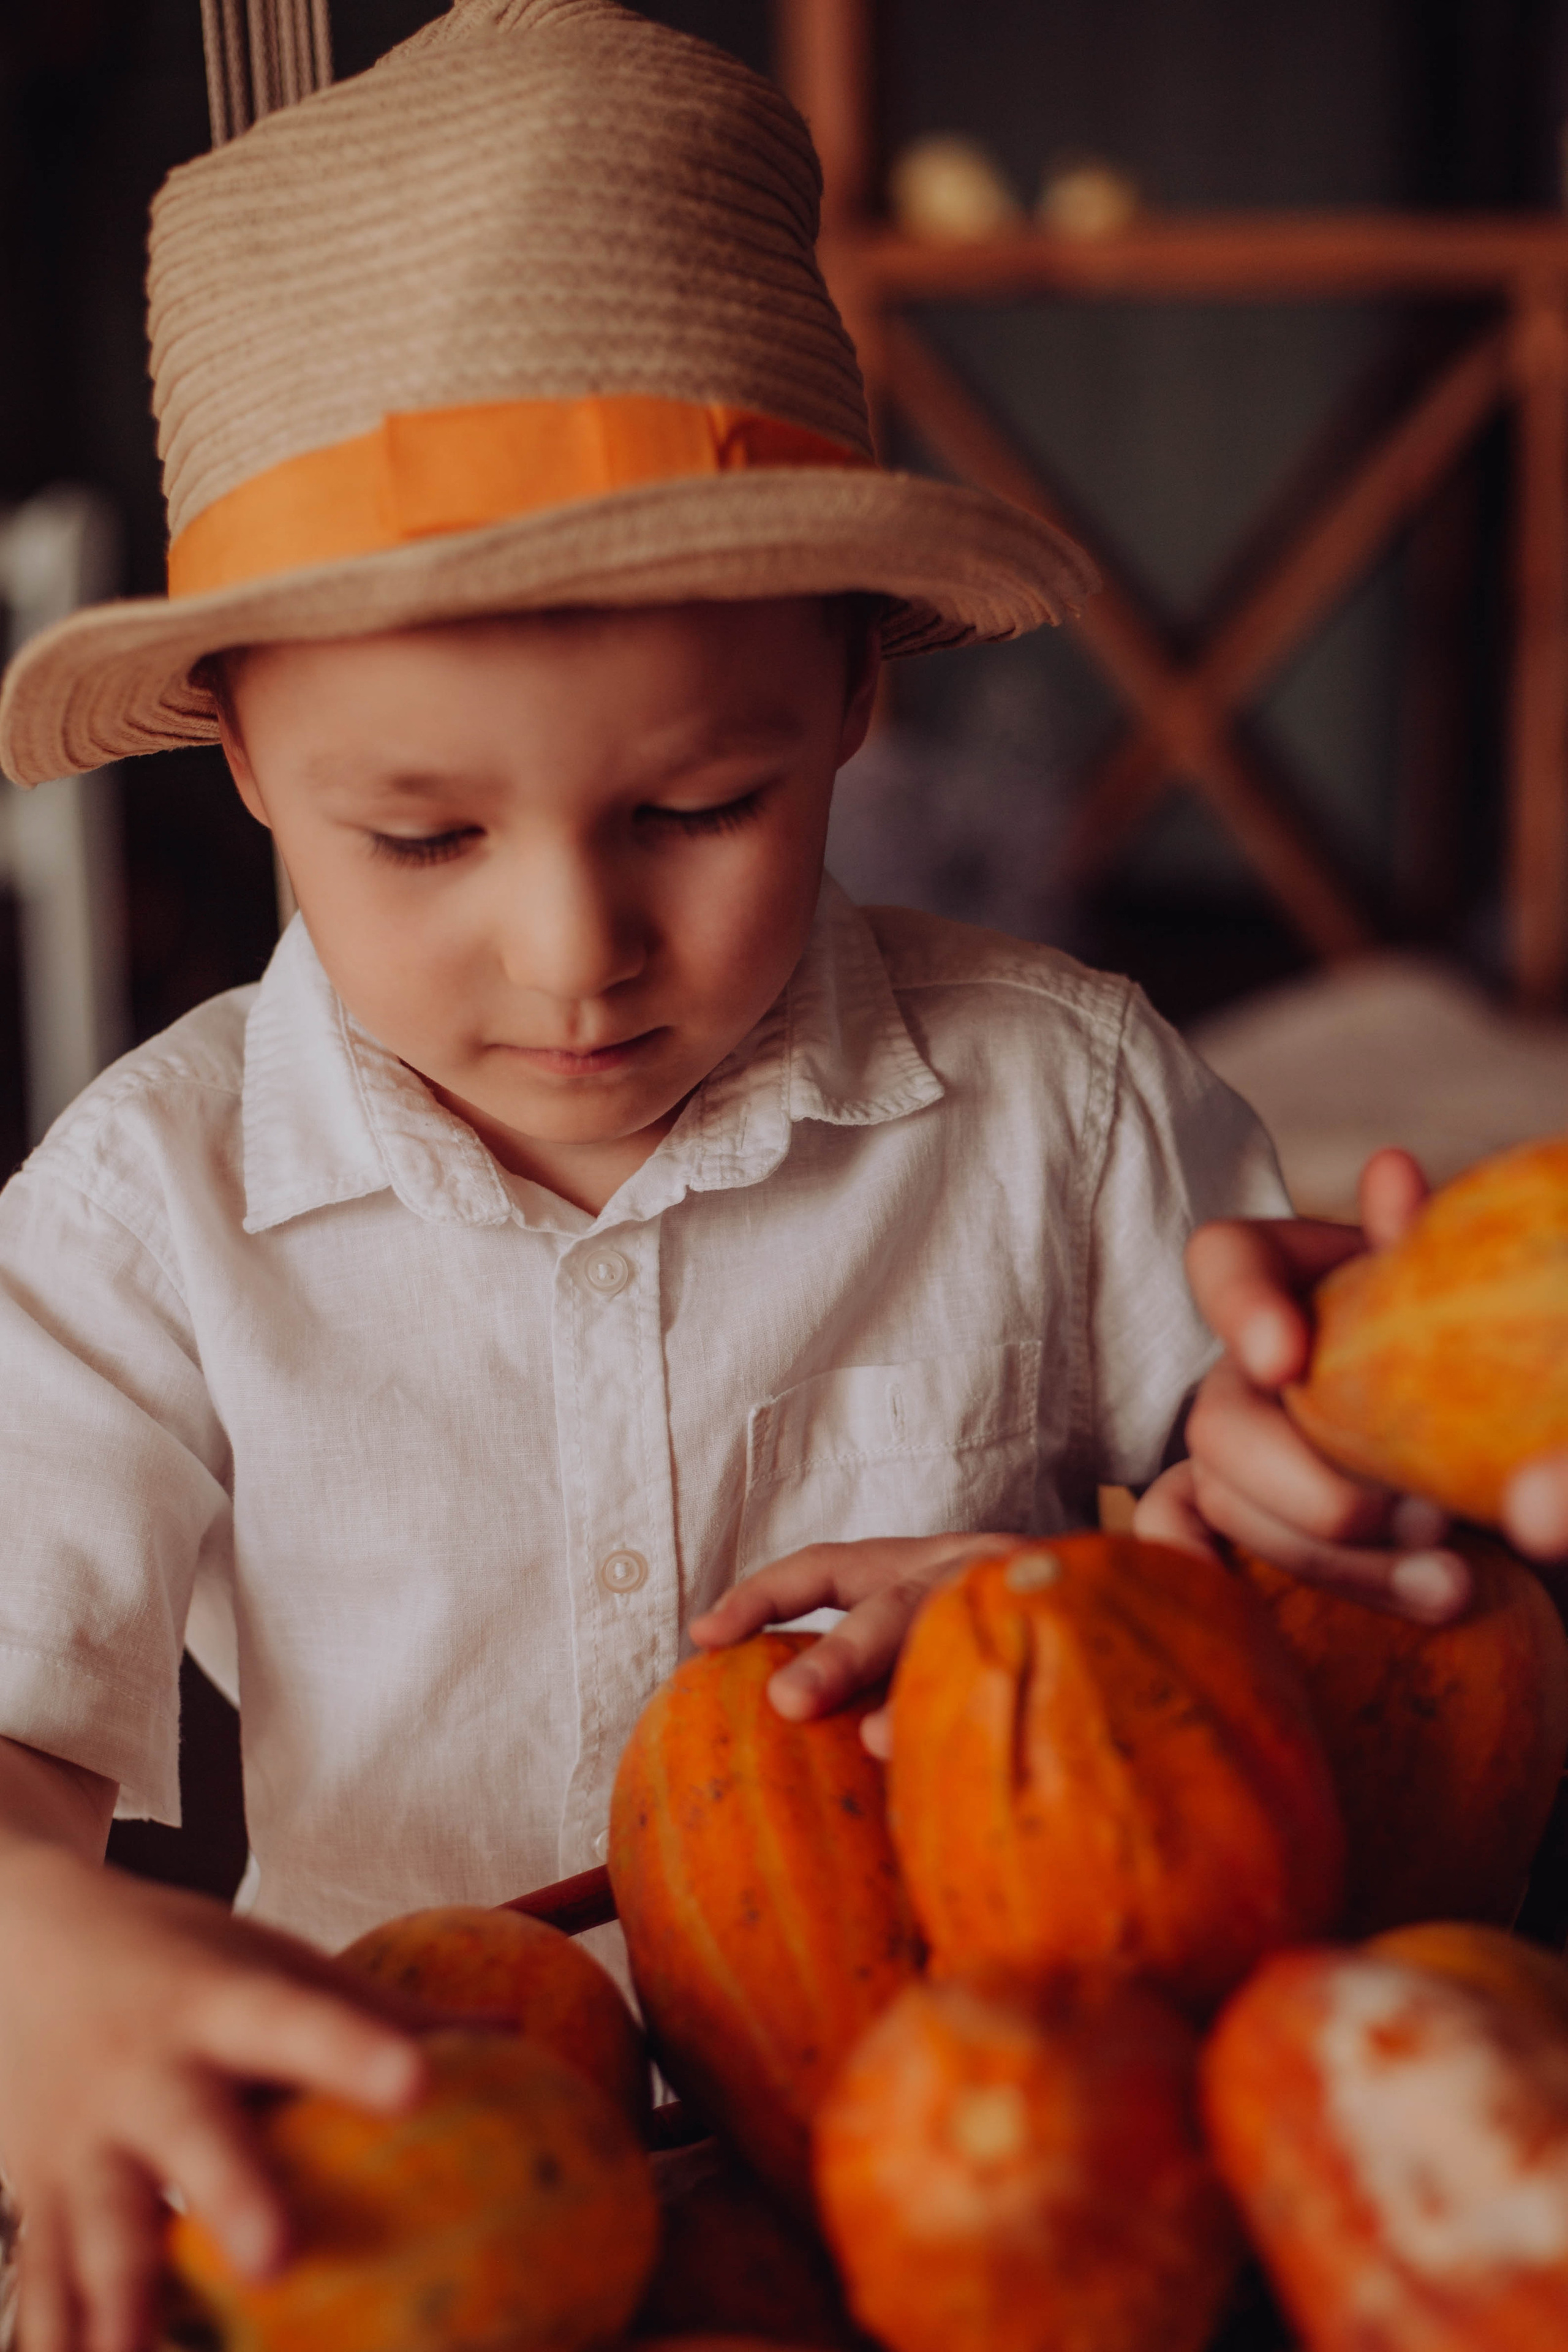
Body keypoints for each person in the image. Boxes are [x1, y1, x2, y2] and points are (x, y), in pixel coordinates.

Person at [0, 5, 1493, 2348]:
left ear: (853, 702)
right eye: (422, 835)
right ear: (243, 755)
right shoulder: (143, 1213)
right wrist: (31, 1967)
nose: (574, 952)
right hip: (410, 2196)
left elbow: (1274, 1587)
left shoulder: (1067, 1099)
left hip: (1008, 2166)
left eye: (699, 809)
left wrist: (1249, 1503)